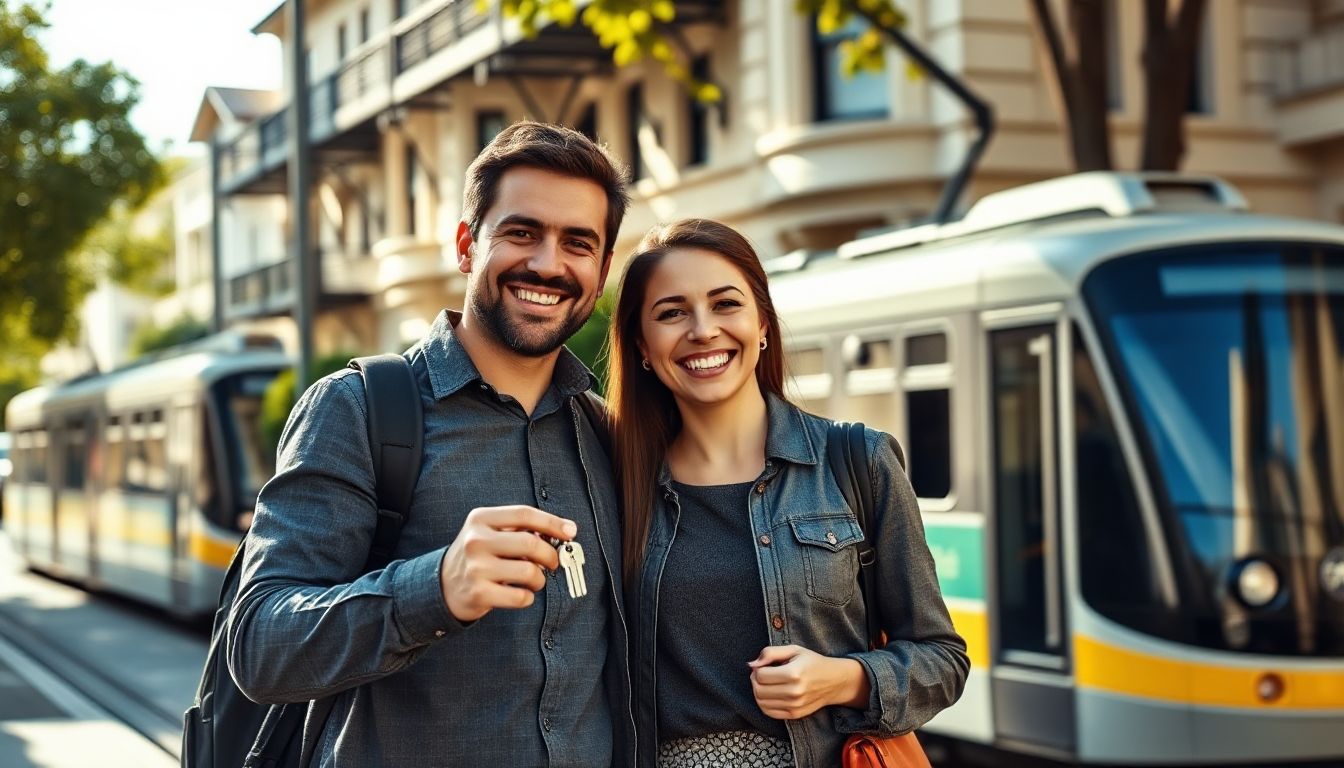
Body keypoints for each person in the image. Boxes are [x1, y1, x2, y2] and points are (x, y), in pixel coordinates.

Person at [227, 121, 636, 767]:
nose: (548, 264)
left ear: (602, 267)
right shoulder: (357, 409)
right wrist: (434, 589)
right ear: (468, 245)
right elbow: (261, 647)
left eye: (577, 243)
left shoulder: (609, 435)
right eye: (521, 232)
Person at [606, 219, 969, 767]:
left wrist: (843, 679)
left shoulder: (858, 461)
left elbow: (943, 660)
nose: (703, 330)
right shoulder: (614, 484)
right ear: (642, 346)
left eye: (726, 304)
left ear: (764, 326)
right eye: (672, 312)